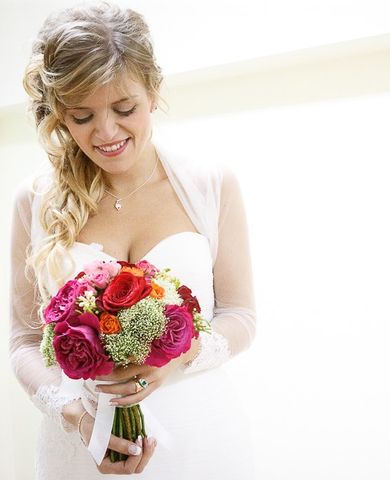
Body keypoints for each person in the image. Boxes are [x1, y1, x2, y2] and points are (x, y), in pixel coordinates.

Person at [9, 2, 257, 478]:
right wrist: (76, 418)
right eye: (81, 117)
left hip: (200, 440)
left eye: (125, 109)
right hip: (81, 449)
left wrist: (179, 357)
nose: (106, 132)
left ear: (153, 92)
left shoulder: (210, 184)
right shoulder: (33, 200)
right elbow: (23, 341)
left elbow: (241, 316)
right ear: (59, 114)